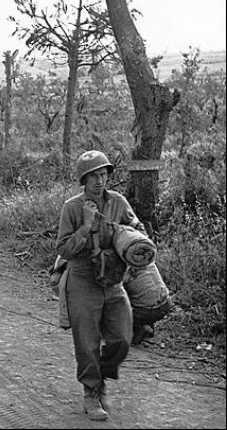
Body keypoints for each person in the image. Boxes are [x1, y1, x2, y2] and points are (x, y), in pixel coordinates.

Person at [56, 150, 146, 421]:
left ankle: (102, 374)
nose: (100, 180)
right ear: (84, 179)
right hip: (82, 277)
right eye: (94, 175)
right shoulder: (72, 207)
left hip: (113, 279)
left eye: (104, 174)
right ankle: (91, 391)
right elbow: (62, 248)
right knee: (87, 341)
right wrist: (85, 227)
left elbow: (135, 227)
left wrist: (137, 236)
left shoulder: (118, 202)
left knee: (121, 337)